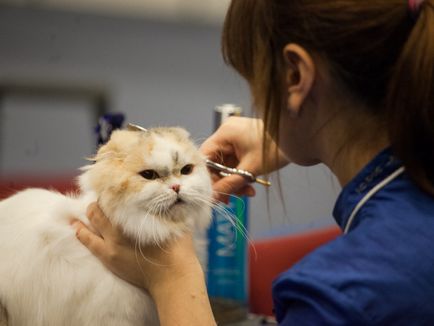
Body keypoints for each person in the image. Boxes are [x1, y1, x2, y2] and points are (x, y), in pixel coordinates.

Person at [73, 0, 434, 324]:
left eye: (255, 84)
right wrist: (304, 135)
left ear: (295, 77)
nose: (257, 102)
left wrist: (172, 278)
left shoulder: (337, 298)